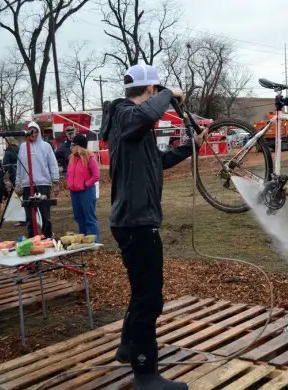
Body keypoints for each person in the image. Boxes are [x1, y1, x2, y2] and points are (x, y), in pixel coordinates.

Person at [107, 64, 207, 390]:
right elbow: (145, 115)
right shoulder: (124, 114)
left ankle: (127, 348)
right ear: (150, 90)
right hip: (136, 223)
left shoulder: (136, 130)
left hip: (136, 221)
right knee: (150, 299)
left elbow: (159, 161)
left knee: (142, 294)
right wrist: (170, 93)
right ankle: (146, 375)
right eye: (156, 92)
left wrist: (191, 145)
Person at [15, 122, 60, 238]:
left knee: (45, 213)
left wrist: (55, 181)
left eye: (35, 131)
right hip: (26, 185)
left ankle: (47, 237)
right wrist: (18, 183)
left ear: (38, 132)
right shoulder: (23, 147)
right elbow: (19, 166)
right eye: (30, 131)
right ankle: (32, 239)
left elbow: (53, 164)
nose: (32, 134)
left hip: (43, 183)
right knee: (29, 215)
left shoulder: (46, 146)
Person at [67, 134, 100, 242]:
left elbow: (96, 175)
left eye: (73, 145)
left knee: (89, 217)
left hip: (86, 191)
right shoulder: (72, 157)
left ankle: (94, 242)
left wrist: (86, 184)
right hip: (74, 192)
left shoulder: (89, 157)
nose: (71, 147)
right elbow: (69, 173)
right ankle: (84, 241)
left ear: (79, 146)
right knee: (79, 217)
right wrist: (69, 184)